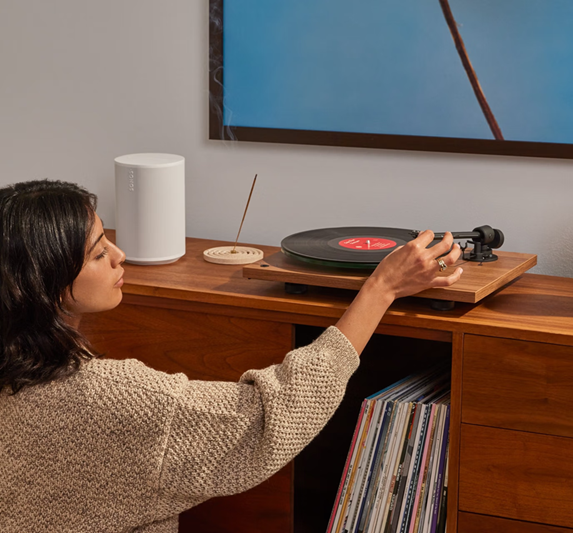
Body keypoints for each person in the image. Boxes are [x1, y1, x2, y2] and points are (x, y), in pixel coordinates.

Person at [0, 179, 462, 533]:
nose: (120, 255)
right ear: (48, 283)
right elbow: (269, 417)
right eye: (99, 253)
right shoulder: (114, 397)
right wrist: (382, 288)